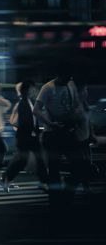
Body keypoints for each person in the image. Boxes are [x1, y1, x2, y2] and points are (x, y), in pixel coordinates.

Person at [33, 69, 82, 199]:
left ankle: (66, 192)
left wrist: (76, 116)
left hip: (68, 131)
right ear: (59, 75)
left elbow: (76, 104)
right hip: (52, 134)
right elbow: (36, 110)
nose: (68, 80)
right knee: (54, 168)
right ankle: (56, 199)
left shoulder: (70, 84)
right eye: (66, 77)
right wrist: (50, 123)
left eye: (70, 77)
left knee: (79, 165)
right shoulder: (48, 88)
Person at [1, 81, 48, 192]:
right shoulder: (22, 103)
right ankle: (6, 178)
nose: (34, 91)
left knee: (39, 160)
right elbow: (24, 122)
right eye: (32, 89)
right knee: (21, 161)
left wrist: (36, 130)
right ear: (26, 90)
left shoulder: (29, 102)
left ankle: (43, 182)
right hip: (26, 137)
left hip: (31, 137)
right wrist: (33, 130)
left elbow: (33, 119)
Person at [74, 79, 96, 193]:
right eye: (85, 89)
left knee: (86, 165)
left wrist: (92, 135)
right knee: (82, 166)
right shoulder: (75, 106)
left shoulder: (85, 105)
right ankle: (81, 186)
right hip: (78, 140)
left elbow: (89, 122)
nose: (86, 92)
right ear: (79, 91)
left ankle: (85, 186)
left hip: (86, 140)